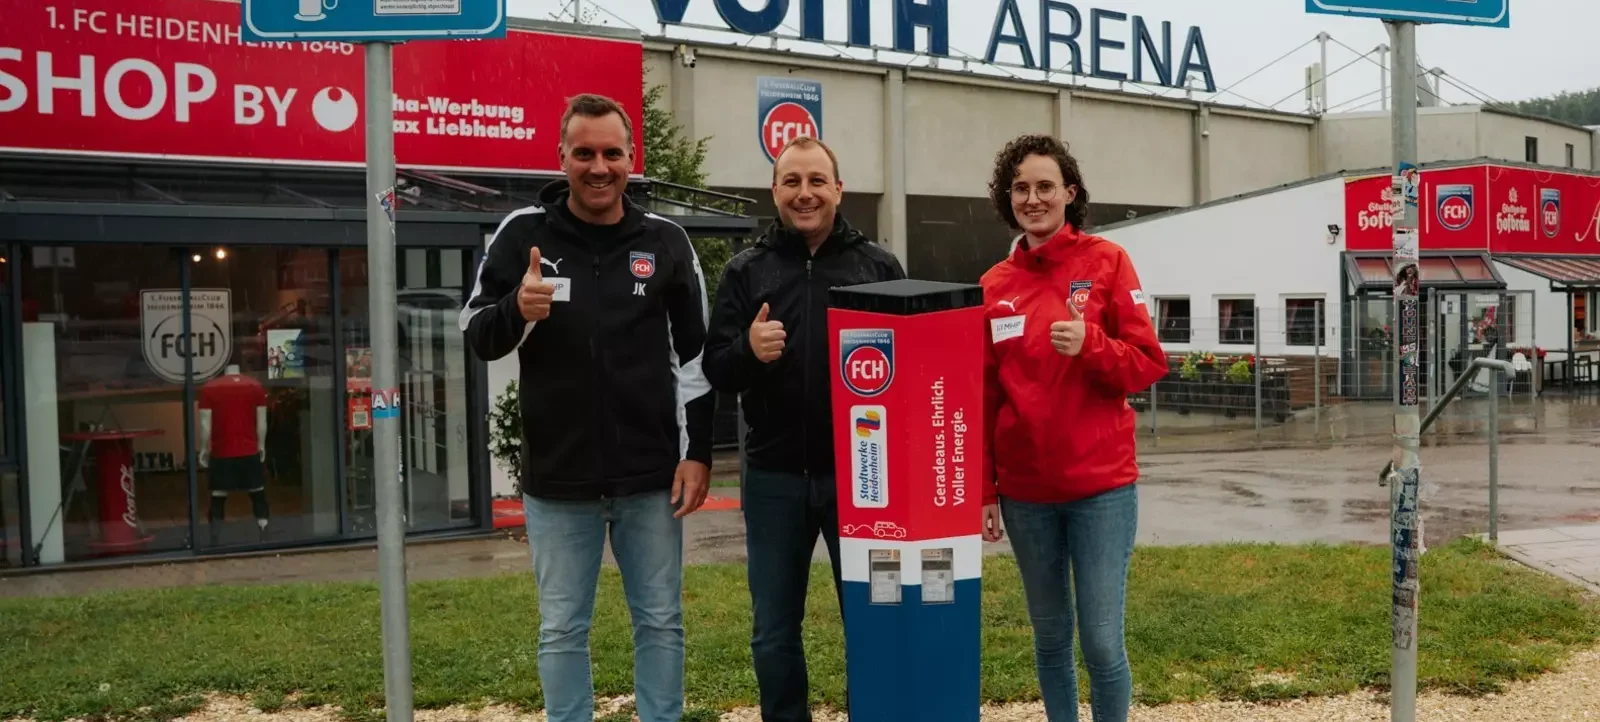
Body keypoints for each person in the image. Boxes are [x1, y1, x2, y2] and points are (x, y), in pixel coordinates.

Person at [459, 93, 714, 722]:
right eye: (584, 154)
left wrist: (698, 454)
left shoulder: (667, 241)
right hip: (558, 479)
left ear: (632, 158)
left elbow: (697, 362)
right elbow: (476, 335)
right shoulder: (523, 234)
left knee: (660, 622)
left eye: (611, 153)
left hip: (651, 478)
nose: (598, 167)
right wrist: (517, 308)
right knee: (561, 629)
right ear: (562, 157)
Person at [702, 135, 905, 722]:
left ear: (839, 190)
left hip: (864, 478)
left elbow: (914, 368)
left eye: (817, 180)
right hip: (774, 477)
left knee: (874, 621)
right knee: (772, 634)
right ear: (775, 192)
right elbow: (715, 365)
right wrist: (748, 349)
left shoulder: (878, 267)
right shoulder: (747, 270)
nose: (805, 193)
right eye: (792, 181)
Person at [977, 133, 1167, 722]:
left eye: (1045, 187)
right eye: (1021, 188)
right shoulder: (992, 286)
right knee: (1051, 638)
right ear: (1008, 198)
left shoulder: (1106, 262)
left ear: (1069, 193)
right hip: (1027, 494)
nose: (1033, 198)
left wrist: (1092, 346)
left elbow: (1147, 365)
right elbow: (984, 397)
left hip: (1102, 491)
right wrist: (987, 489)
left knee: (1103, 642)